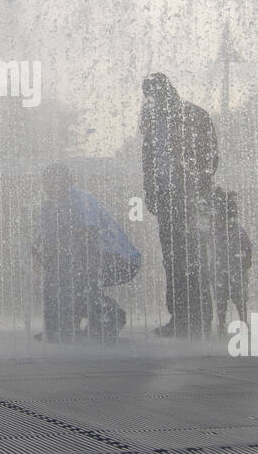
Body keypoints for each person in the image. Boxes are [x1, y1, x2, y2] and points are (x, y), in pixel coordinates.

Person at [140, 73, 218, 337]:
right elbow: (149, 160)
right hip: (166, 198)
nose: (153, 100)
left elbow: (210, 158)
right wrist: (150, 191)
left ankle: (201, 320)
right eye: (149, 96)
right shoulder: (152, 122)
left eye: (157, 94)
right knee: (172, 260)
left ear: (169, 90)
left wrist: (196, 188)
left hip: (191, 198)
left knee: (194, 258)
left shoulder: (195, 116)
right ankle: (179, 318)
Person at [32, 163, 139, 342]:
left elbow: (88, 236)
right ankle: (60, 327)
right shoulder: (49, 208)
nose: (52, 187)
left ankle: (109, 317)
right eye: (48, 183)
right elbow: (42, 244)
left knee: (76, 276)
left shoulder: (81, 199)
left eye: (57, 183)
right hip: (89, 257)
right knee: (59, 279)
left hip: (121, 258)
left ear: (68, 182)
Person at [210, 189, 251, 331]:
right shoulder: (235, 230)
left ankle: (227, 323)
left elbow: (247, 246)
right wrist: (246, 262)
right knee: (234, 298)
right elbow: (247, 246)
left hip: (228, 267)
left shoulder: (233, 230)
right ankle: (238, 322)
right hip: (231, 267)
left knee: (227, 298)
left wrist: (246, 262)